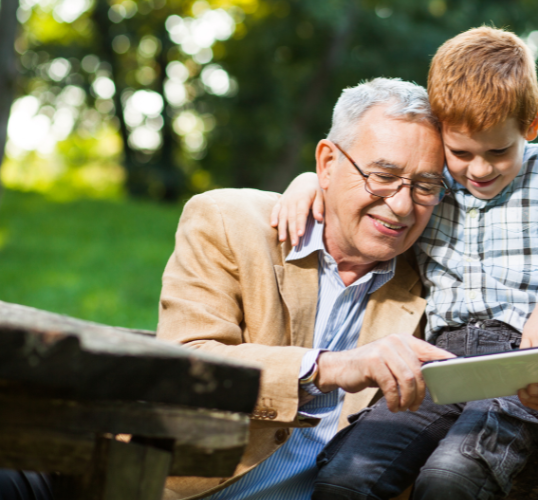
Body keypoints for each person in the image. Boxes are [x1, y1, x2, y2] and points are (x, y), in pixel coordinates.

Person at [271, 27, 538, 500]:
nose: (479, 170)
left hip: (521, 366)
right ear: (442, 132)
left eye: (498, 151)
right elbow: (356, 177)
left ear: (532, 125)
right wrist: (308, 182)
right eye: (461, 153)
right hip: (443, 360)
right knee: (348, 474)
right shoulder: (431, 186)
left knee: (452, 477)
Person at [156, 78, 456, 500]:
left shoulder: (439, 279)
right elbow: (183, 368)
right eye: (383, 175)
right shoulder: (226, 221)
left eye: (425, 186)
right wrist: (330, 367)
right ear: (328, 162)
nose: (403, 205)